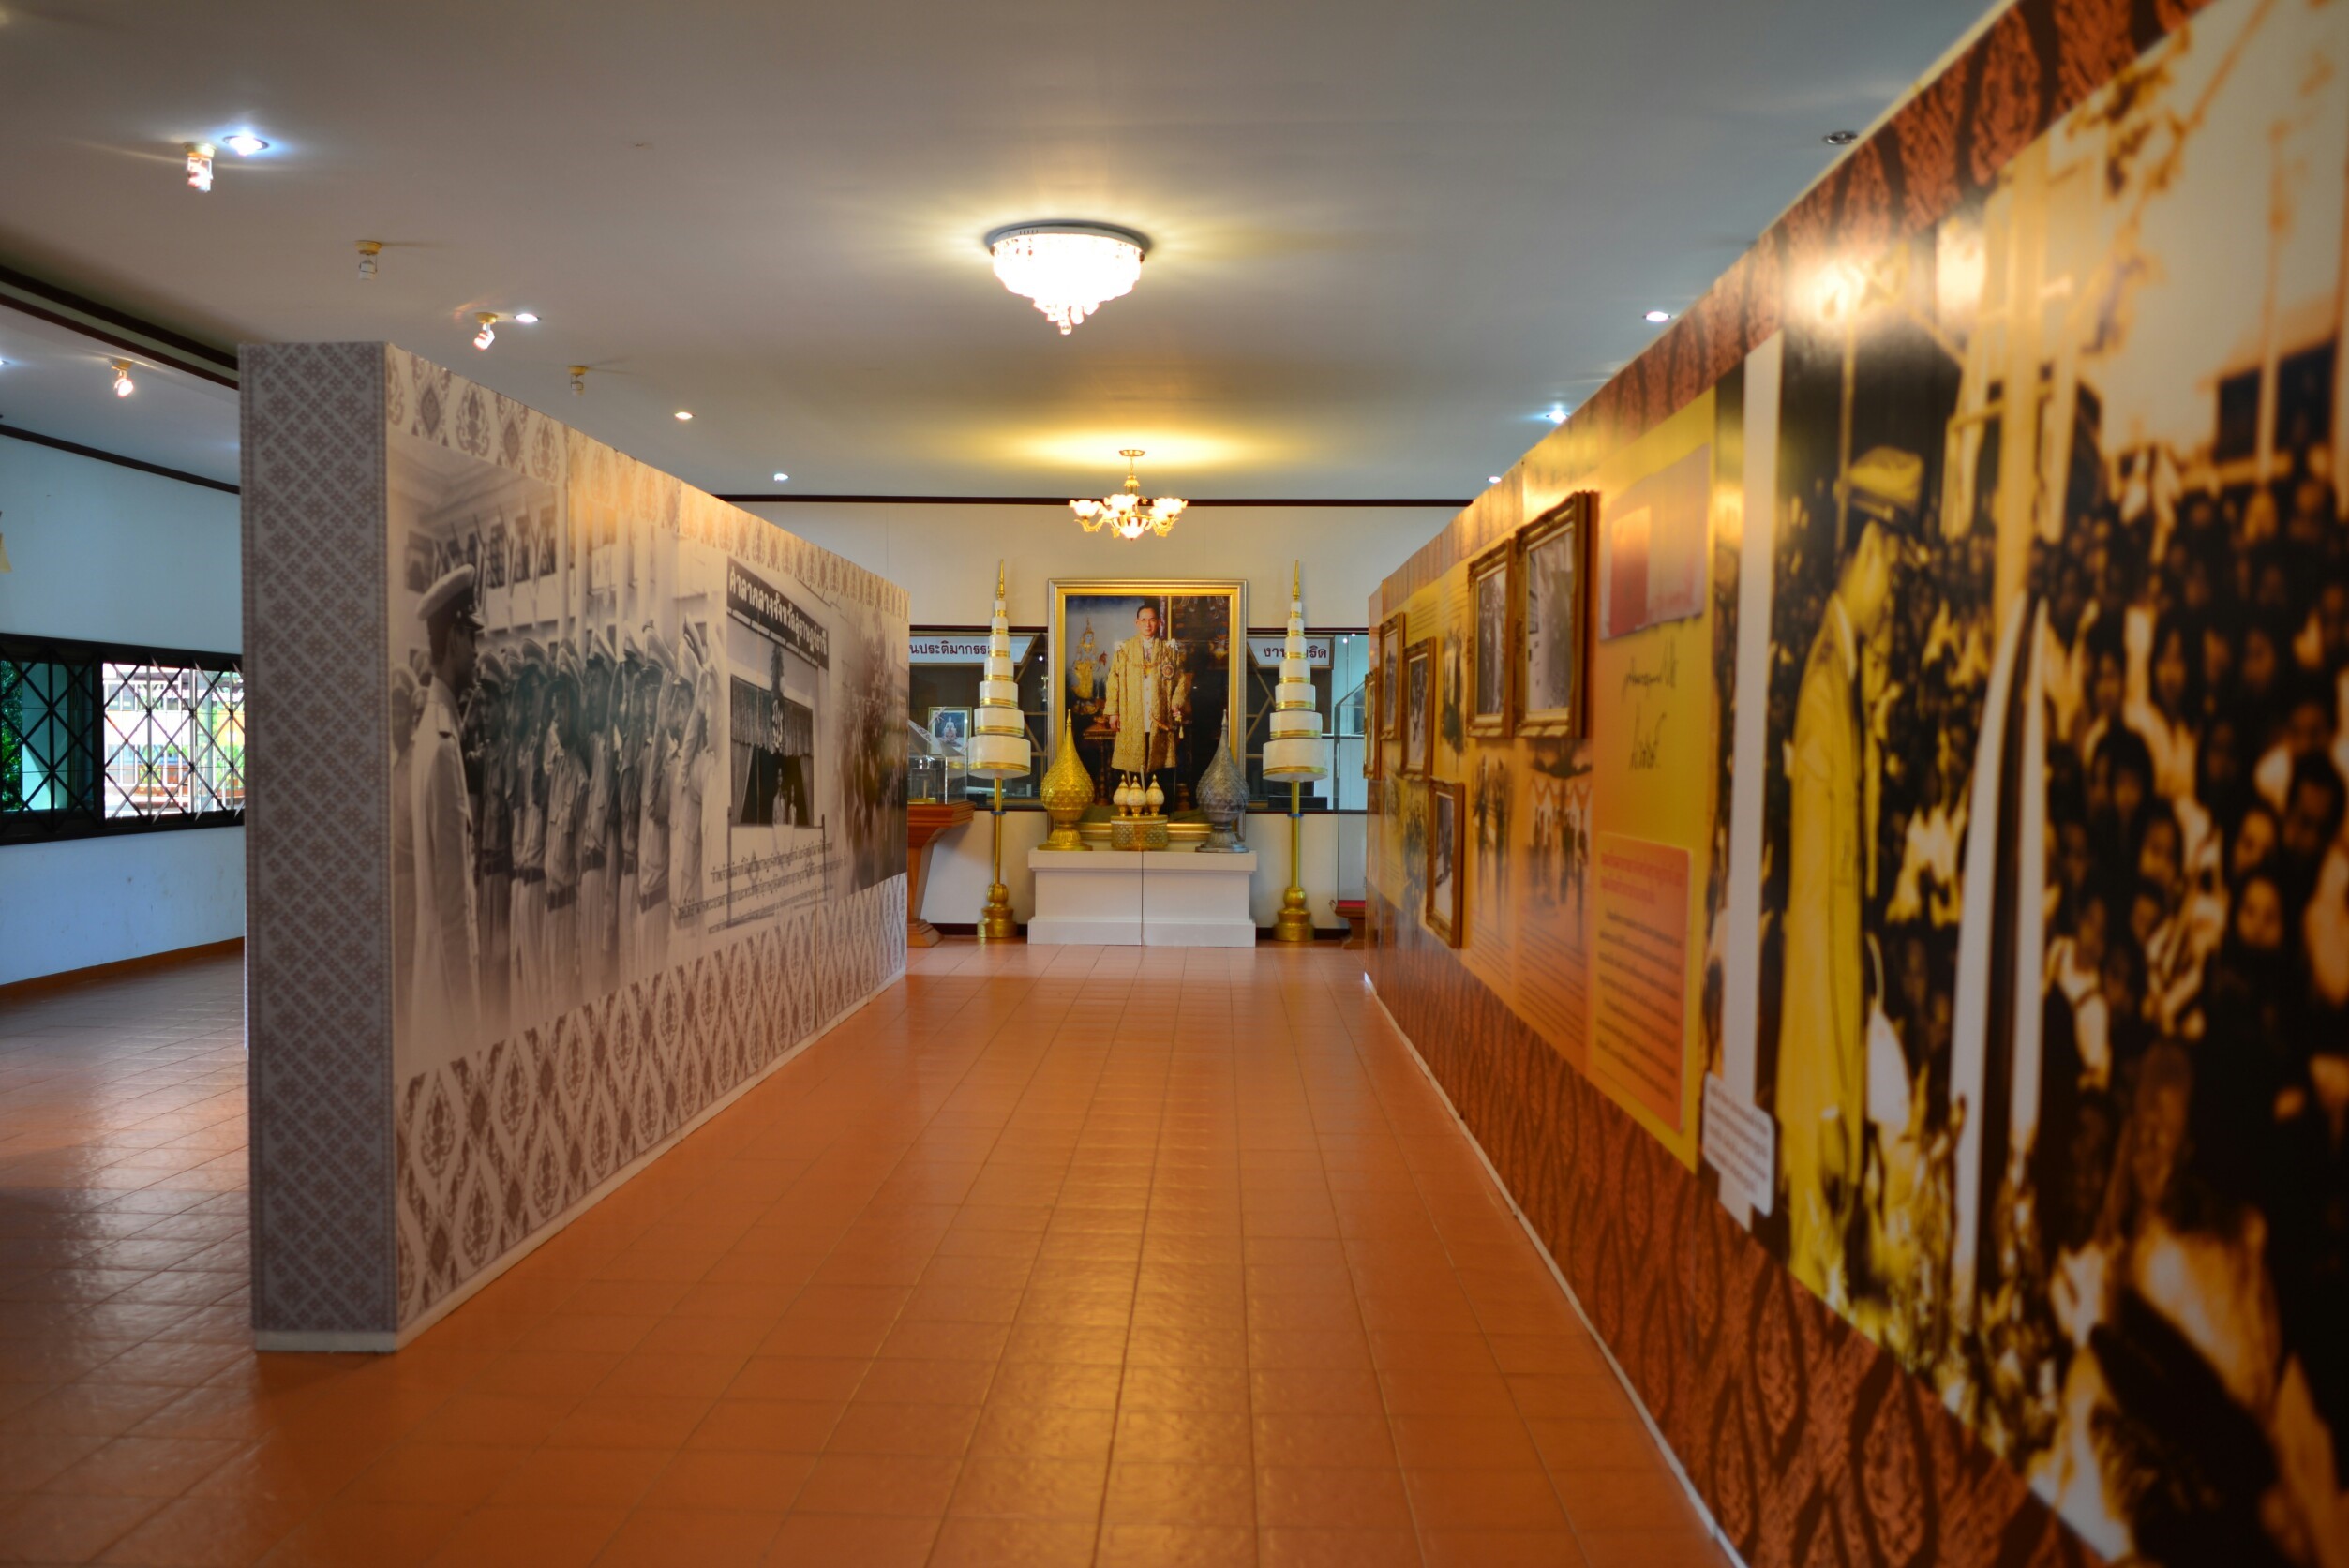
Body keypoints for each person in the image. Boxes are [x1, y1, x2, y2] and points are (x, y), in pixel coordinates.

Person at [1777, 516, 1899, 1301]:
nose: (1892, 590)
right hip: (1822, 1016)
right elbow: (1819, 893)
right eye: (1890, 564)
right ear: (1866, 555)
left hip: (1834, 1005)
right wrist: (1825, 1076)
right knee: (1814, 1253)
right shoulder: (1827, 686)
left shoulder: (1847, 675)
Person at [409, 566, 483, 1058]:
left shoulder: (433, 733)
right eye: (473, 638)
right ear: (455, 638)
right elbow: (455, 912)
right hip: (448, 1003)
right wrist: (472, 1028)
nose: (477, 653)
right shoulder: (442, 747)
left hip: (435, 985)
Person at [1105, 601, 1189, 781]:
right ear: (1137, 623)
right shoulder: (1124, 649)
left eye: (1152, 620)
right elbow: (1113, 681)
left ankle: (1156, 795)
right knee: (1133, 765)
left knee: (1158, 767)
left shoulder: (1169, 650)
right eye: (1143, 620)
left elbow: (1181, 681)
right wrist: (1113, 712)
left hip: (1159, 713)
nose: (1147, 624)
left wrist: (1176, 704)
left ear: (1159, 622)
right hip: (1132, 712)